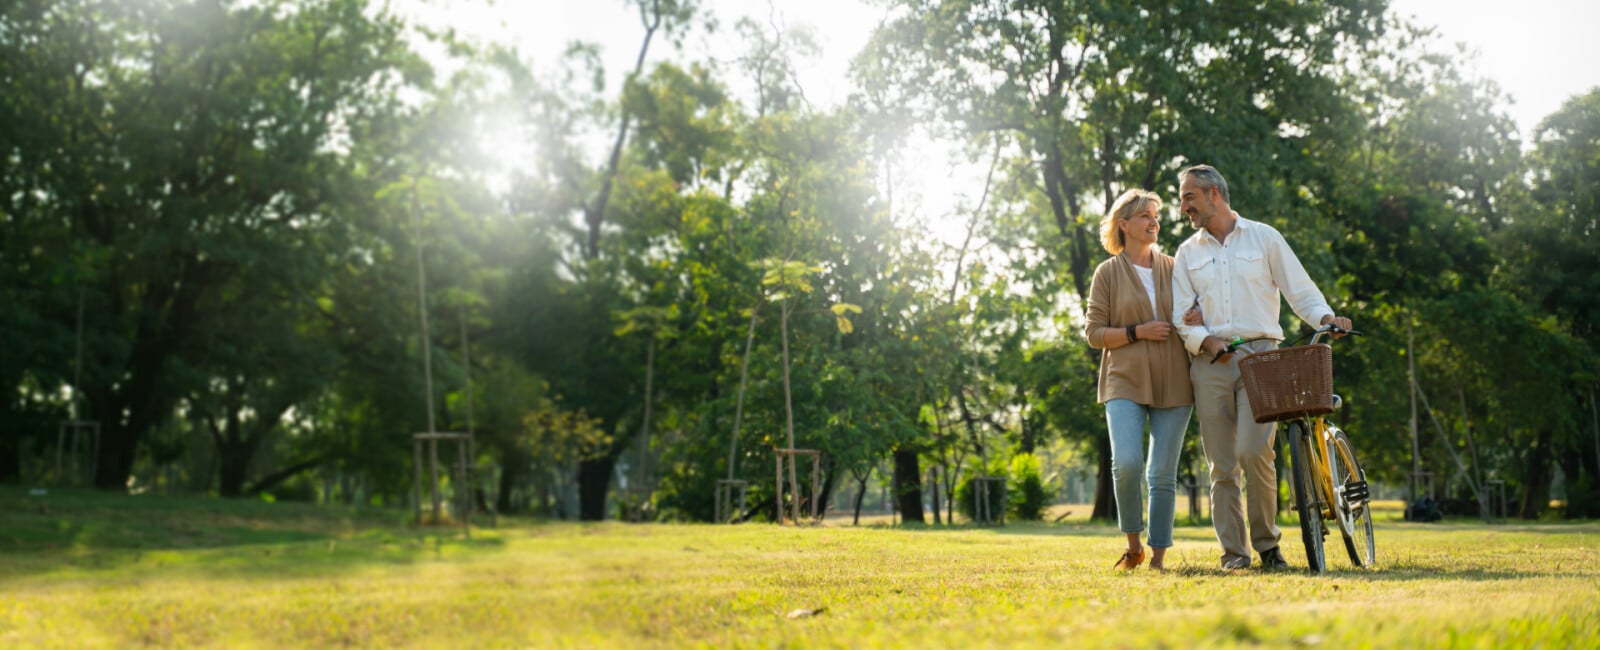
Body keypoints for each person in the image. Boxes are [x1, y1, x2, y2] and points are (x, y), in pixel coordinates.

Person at [1169, 164, 1353, 571]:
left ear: (1214, 193)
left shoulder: (1264, 237)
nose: (1183, 206)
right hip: (1210, 363)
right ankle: (1235, 554)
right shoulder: (1187, 253)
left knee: (1255, 452)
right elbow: (1180, 316)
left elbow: (1299, 289)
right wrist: (1208, 341)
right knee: (1221, 465)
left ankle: (1269, 547)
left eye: (1188, 197)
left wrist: (1325, 318)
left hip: (1262, 360)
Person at [1083, 189, 1195, 571]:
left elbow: (1197, 308)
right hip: (1124, 379)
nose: (1154, 222)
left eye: (1156, 215)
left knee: (1161, 472)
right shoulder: (1107, 273)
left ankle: (1158, 558)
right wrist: (1137, 332)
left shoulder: (1176, 266)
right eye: (1145, 215)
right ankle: (1133, 545)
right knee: (1127, 462)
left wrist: (1198, 315)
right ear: (1123, 224)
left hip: (1175, 379)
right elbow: (1094, 333)